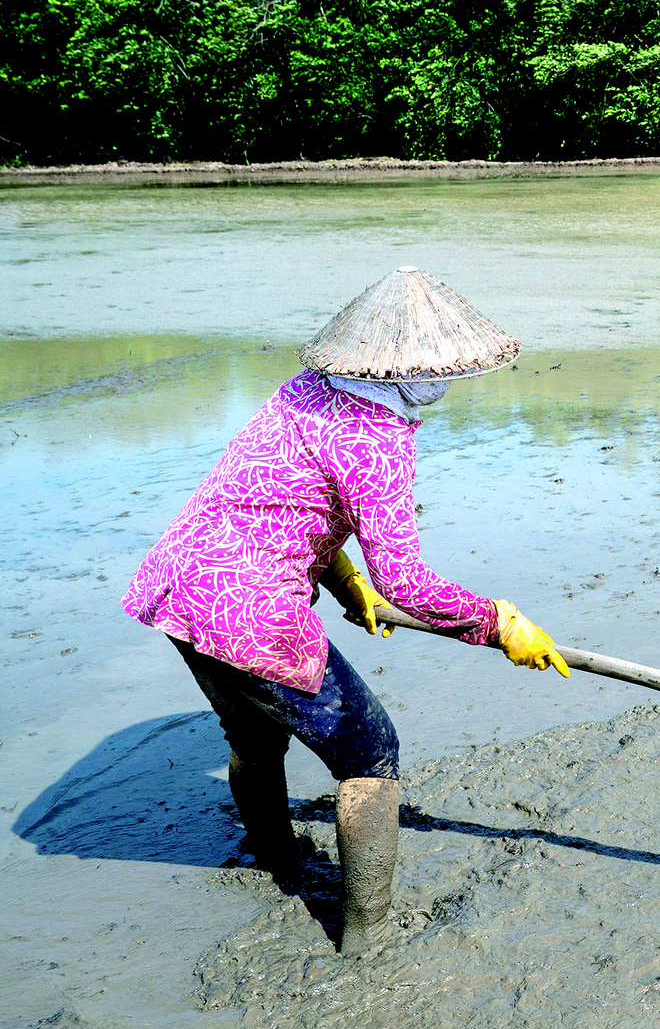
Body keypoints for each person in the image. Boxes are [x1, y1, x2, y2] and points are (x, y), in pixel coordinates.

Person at [122, 267, 567, 955]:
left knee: (254, 734)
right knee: (369, 756)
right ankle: (367, 939)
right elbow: (409, 582)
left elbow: (288, 503)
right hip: (249, 613)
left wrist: (346, 584)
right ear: (415, 371)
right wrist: (497, 623)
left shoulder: (303, 391)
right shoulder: (378, 439)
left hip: (182, 586)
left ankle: (276, 863)